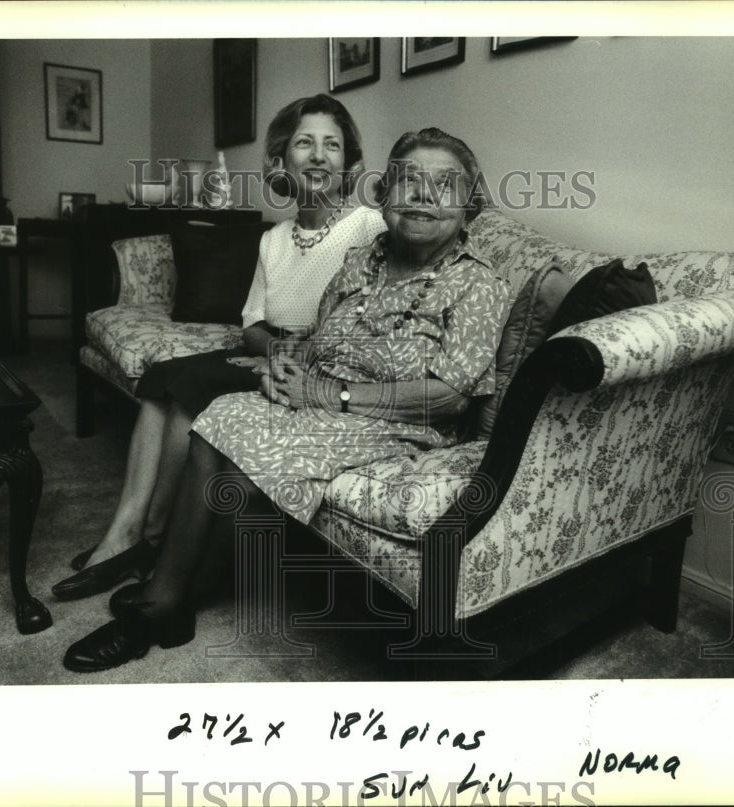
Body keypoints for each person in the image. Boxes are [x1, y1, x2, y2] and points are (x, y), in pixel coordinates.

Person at [63, 127, 513, 672]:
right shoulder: (364, 259)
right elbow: (320, 335)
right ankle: (182, 591)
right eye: (407, 180)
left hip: (398, 419)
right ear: (385, 196)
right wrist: (286, 364)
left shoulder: (478, 284)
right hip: (323, 397)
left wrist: (331, 393)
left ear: (469, 206)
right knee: (223, 414)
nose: (422, 195)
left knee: (240, 445)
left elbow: (449, 395)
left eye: (444, 185)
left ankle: (162, 603)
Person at [51, 94, 385, 602]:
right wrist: (271, 350)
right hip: (271, 354)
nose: (319, 155)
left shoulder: (368, 227)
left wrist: (297, 354)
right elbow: (251, 322)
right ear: (281, 162)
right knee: (164, 376)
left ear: (347, 163)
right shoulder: (273, 238)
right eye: (305, 143)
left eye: (332, 145)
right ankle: (129, 531)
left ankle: (147, 540)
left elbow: (374, 315)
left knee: (193, 384)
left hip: (318, 365)